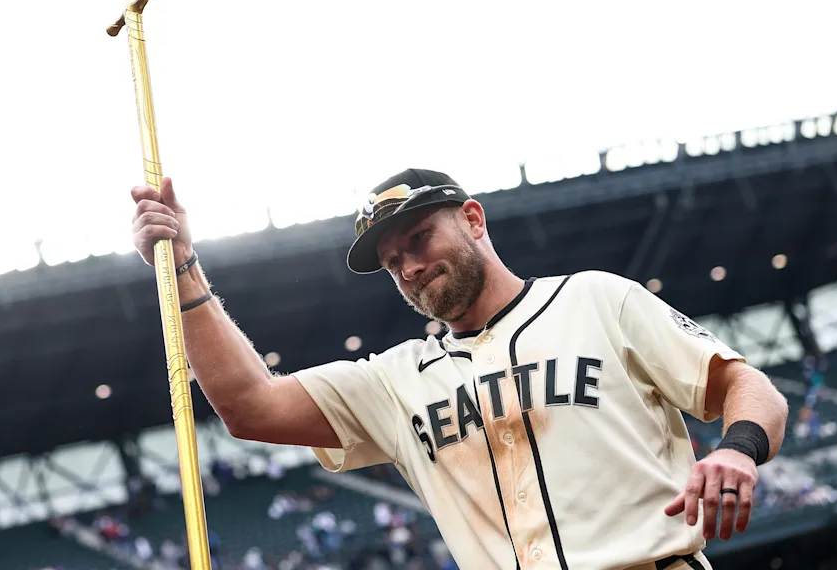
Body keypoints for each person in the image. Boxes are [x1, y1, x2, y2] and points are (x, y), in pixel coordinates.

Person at [130, 169, 790, 569]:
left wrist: (737, 449)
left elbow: (747, 385)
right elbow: (250, 406)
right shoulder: (395, 381)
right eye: (393, 263)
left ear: (473, 219)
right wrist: (181, 266)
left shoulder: (595, 299)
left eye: (419, 239)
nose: (410, 267)